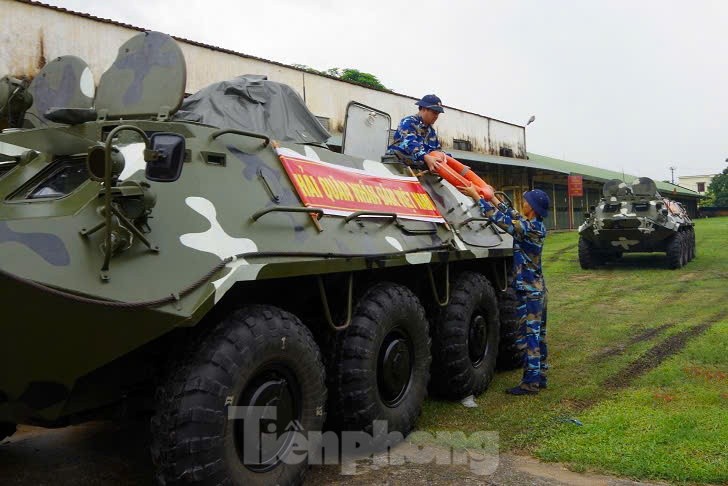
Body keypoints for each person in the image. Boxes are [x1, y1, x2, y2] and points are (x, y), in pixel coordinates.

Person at [459, 185, 551, 395]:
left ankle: (530, 383)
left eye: (527, 201)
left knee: (529, 337)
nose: (523, 203)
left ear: (534, 208)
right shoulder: (534, 225)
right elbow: (513, 214)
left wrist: (478, 198)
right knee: (538, 336)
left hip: (529, 293)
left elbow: (500, 220)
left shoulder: (528, 228)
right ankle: (540, 376)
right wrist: (493, 199)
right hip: (537, 291)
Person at [387, 94, 446, 171]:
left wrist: (448, 160)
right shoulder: (408, 122)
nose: (436, 116)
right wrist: (425, 157)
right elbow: (409, 143)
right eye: (434, 112)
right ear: (424, 109)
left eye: (438, 114)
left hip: (418, 168)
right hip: (396, 166)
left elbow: (437, 151)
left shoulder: (431, 131)